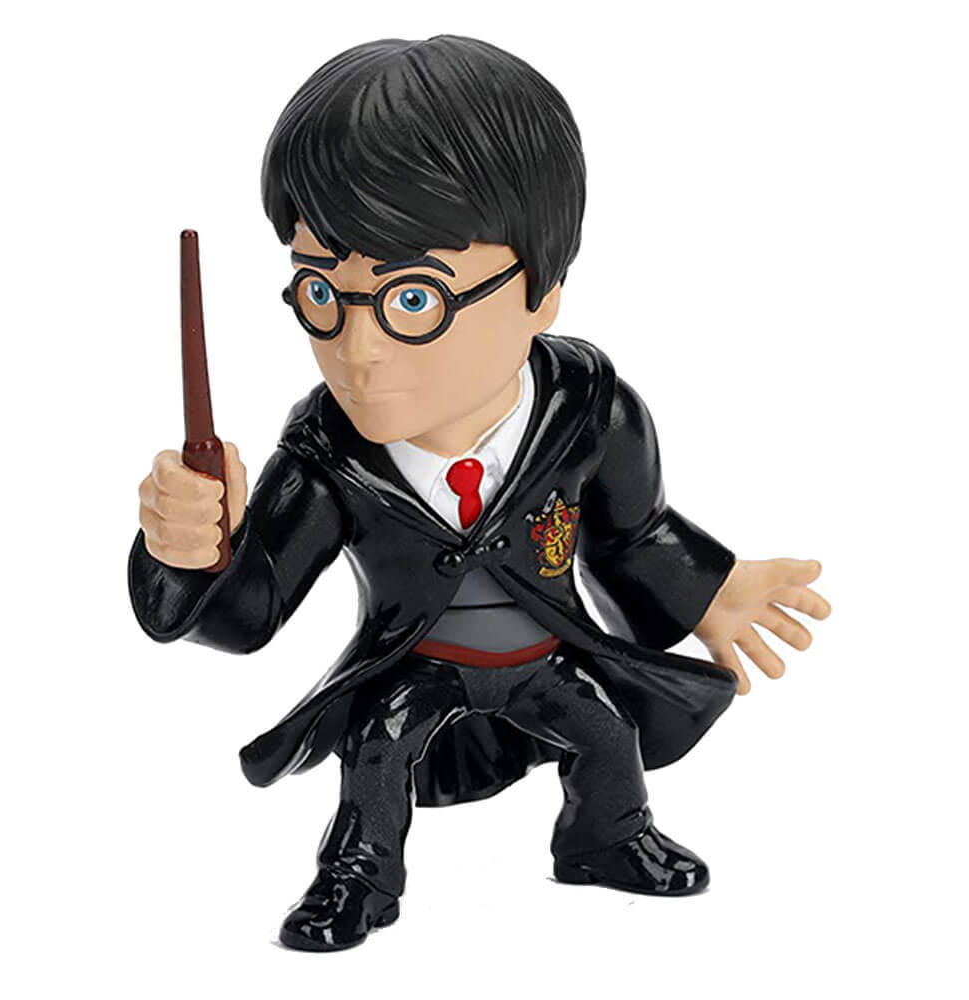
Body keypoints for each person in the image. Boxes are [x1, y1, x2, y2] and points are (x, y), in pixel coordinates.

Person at [129, 35, 830, 952]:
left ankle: (605, 836)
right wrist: (191, 556)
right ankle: (359, 875)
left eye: (414, 299)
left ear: (542, 290)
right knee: (376, 750)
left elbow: (633, 534)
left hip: (547, 653)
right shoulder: (327, 453)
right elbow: (252, 609)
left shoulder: (590, 411)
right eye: (321, 293)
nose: (358, 349)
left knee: (606, 731)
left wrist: (713, 586)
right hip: (415, 663)